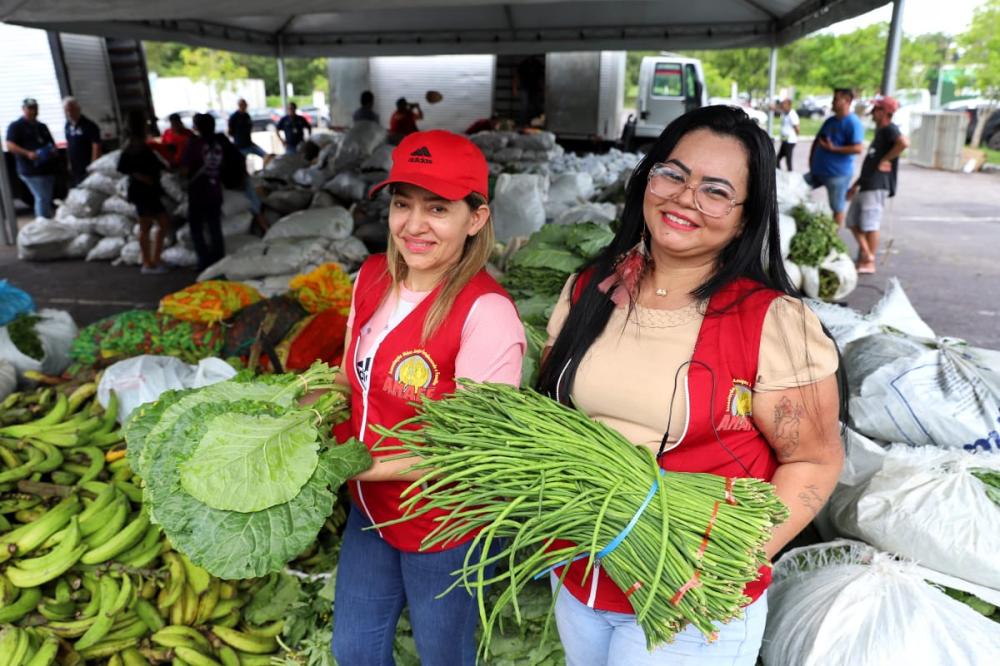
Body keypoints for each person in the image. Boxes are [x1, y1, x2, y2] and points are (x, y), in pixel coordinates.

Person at [537, 105, 845, 666]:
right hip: (579, 576)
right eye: (672, 174)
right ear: (646, 178)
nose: (684, 198)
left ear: (746, 216)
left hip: (690, 602)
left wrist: (728, 563)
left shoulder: (772, 322)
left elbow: (815, 462)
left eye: (716, 191)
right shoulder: (589, 288)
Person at [331, 130, 526, 666]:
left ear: (476, 218)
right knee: (354, 651)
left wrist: (351, 465)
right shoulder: (371, 277)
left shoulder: (485, 313)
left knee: (444, 656)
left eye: (437, 208)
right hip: (370, 514)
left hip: (443, 525)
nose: (413, 226)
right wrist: (295, 415)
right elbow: (347, 378)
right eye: (402, 205)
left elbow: (468, 454)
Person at [846, 96, 909, 274]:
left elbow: (904, 143)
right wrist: (855, 185)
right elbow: (870, 162)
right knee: (852, 220)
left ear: (884, 112)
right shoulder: (880, 133)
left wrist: (886, 159)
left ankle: (869, 261)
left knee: (870, 224)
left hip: (877, 185)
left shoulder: (890, 129)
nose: (873, 113)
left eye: (876, 110)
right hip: (866, 184)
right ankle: (867, 254)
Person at [117, 110, 170, 274]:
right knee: (155, 224)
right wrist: (142, 177)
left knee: (151, 225)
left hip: (147, 190)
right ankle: (149, 262)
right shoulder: (133, 146)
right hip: (143, 191)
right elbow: (123, 167)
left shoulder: (139, 143)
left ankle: (153, 260)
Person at [804, 88, 864, 228]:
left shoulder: (852, 123)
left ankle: (833, 238)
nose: (832, 102)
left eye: (836, 99)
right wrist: (811, 159)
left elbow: (858, 148)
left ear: (847, 101)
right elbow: (817, 140)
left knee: (837, 207)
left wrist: (834, 149)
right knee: (797, 188)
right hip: (818, 171)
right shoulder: (830, 121)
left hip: (837, 175)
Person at [182, 113, 227, 270]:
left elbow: (185, 168)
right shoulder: (221, 142)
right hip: (215, 190)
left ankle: (204, 261)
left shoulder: (194, 144)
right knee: (215, 227)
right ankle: (219, 260)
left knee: (197, 228)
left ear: (196, 127)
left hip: (198, 192)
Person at [5, 98, 57, 218]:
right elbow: (10, 145)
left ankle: (47, 221)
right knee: (42, 197)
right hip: (30, 170)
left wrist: (52, 151)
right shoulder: (16, 126)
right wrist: (28, 153)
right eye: (30, 108)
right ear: (23, 109)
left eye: (35, 108)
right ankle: (42, 224)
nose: (33, 111)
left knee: (47, 197)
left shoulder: (42, 126)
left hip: (47, 169)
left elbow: (51, 143)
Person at [63, 97, 101, 186]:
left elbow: (96, 146)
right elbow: (68, 144)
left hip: (87, 164)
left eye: (71, 110)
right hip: (75, 166)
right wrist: (69, 162)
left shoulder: (89, 125)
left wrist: (93, 165)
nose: (69, 113)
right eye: (66, 111)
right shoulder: (67, 125)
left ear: (78, 109)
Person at [513, 55, 545, 127]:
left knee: (537, 106)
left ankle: (537, 123)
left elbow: (542, 78)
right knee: (524, 107)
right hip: (525, 88)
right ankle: (522, 123)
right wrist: (515, 88)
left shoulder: (537, 64)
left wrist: (543, 89)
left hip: (536, 88)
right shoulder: (523, 64)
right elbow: (516, 76)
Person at [776, 98, 799, 171]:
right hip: (785, 139)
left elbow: (797, 127)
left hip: (790, 141)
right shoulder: (785, 113)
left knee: (788, 160)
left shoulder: (792, 114)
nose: (782, 106)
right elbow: (777, 108)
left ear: (789, 105)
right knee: (777, 159)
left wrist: (794, 135)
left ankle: (790, 175)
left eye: (784, 104)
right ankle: (780, 173)